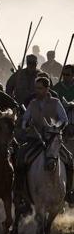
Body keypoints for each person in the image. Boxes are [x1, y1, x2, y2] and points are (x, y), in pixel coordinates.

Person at [15, 77, 74, 210]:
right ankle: (20, 192)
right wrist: (26, 124)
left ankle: (68, 192)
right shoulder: (32, 103)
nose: (37, 91)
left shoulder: (56, 102)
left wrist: (55, 126)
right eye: (36, 88)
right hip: (35, 140)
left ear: (47, 89)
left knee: (69, 159)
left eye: (40, 88)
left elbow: (64, 120)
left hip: (53, 140)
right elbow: (25, 119)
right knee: (21, 158)